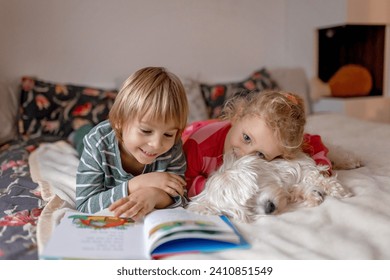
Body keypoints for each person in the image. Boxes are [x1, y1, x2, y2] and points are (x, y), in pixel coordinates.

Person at [75, 67, 189, 221]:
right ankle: (79, 126)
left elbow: (181, 196)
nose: (156, 144)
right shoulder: (97, 142)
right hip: (92, 139)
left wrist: (154, 195)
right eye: (146, 131)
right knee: (81, 139)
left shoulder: (173, 147)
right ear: (119, 122)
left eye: (168, 134)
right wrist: (137, 184)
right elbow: (84, 206)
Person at [183, 90, 332, 198]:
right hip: (196, 130)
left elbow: (313, 143)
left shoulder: (277, 140)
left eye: (260, 154)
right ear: (238, 116)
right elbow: (185, 182)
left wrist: (321, 171)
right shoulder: (198, 146)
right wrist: (220, 188)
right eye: (247, 138)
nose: (245, 155)